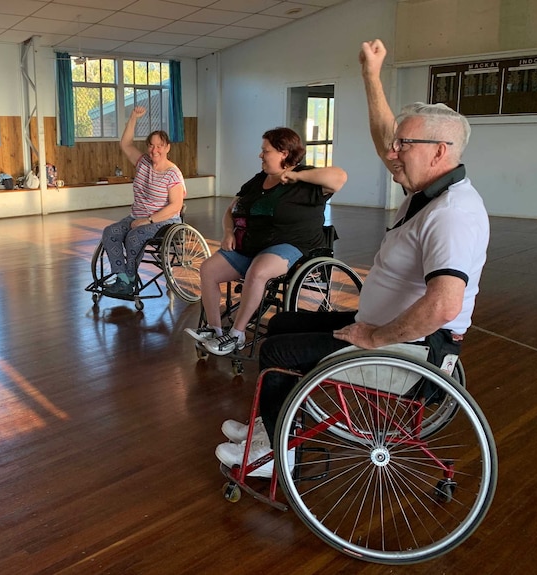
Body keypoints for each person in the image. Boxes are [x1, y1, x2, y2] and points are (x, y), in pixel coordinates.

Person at [215, 38, 490, 477]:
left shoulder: (452, 214)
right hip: (389, 330)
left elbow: (444, 305)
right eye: (398, 143)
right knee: (282, 324)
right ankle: (276, 425)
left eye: (406, 145)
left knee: (279, 349)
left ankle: (275, 454)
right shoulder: (427, 191)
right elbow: (385, 139)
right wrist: (371, 76)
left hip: (411, 349)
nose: (392, 153)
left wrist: (374, 339)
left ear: (440, 151)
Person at [184, 128, 347, 356]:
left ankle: (237, 335)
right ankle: (215, 329)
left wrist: (297, 176)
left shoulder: (306, 180)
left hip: (291, 245)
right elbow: (232, 209)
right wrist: (228, 232)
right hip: (251, 244)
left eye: (265, 151)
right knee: (209, 269)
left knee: (258, 271)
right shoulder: (258, 180)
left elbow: (340, 177)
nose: (260, 155)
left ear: (283, 153)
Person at [100, 106, 185, 296]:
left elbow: (175, 206)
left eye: (160, 146)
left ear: (168, 147)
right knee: (110, 232)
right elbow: (126, 143)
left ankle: (129, 279)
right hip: (137, 216)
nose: (155, 150)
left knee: (134, 235)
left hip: (164, 221)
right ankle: (122, 277)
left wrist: (148, 220)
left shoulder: (172, 173)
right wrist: (133, 117)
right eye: (151, 145)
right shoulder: (143, 162)